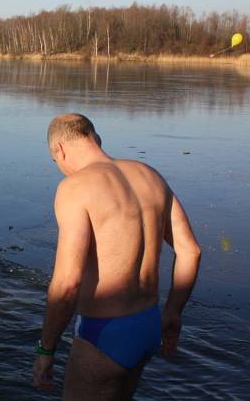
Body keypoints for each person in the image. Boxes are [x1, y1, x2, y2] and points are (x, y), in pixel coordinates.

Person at [32, 114, 201, 399]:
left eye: (55, 161)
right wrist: (173, 311)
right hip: (148, 325)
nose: (60, 168)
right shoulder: (150, 175)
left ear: (60, 149)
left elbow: (67, 284)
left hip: (104, 332)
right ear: (95, 139)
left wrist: (45, 349)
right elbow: (190, 251)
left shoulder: (75, 188)